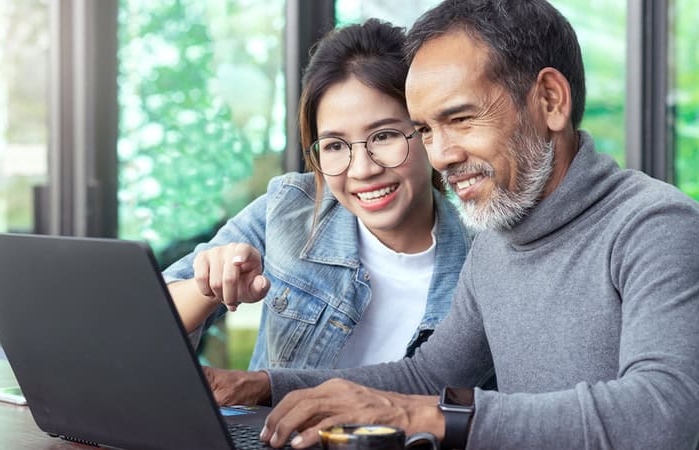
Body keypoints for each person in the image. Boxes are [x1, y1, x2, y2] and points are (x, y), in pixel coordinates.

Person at [203, 1, 699, 449]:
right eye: (424, 130)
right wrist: (264, 384)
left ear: (549, 100)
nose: (441, 156)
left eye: (460, 120)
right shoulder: (497, 244)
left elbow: (663, 414)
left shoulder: (655, 226)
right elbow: (429, 375)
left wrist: (424, 416)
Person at [163, 19, 473, 371]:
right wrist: (208, 288)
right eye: (335, 145)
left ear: (426, 131)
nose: (361, 169)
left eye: (384, 136)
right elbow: (146, 321)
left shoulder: (482, 258)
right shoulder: (290, 208)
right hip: (276, 428)